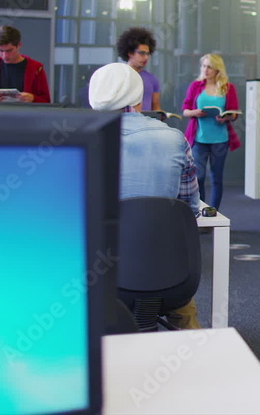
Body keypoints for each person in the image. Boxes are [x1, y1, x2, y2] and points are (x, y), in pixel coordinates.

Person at [87, 62, 202, 329]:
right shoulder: (175, 138)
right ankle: (193, 347)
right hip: (171, 276)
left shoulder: (82, 142)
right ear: (139, 98)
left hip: (101, 280)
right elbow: (190, 210)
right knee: (185, 314)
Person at [182, 53, 240, 210]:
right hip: (199, 139)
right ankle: (199, 210)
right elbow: (185, 110)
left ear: (217, 70)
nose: (205, 70)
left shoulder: (228, 88)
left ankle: (213, 212)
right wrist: (195, 112)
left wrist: (226, 117)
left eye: (209, 67)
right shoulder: (195, 86)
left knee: (216, 178)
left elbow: (234, 113)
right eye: (203, 66)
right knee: (198, 177)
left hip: (220, 140)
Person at [0, 25, 51, 105]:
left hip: (25, 112)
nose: (5, 56)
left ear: (19, 45)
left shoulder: (35, 68)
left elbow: (46, 101)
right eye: (1, 50)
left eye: (9, 50)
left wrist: (33, 98)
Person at [116, 26, 162, 112]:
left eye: (148, 54)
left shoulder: (152, 80)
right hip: (123, 119)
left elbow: (156, 107)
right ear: (130, 53)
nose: (146, 57)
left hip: (146, 120)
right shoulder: (118, 77)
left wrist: (162, 116)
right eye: (142, 53)